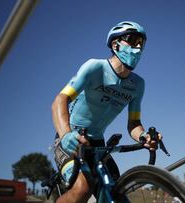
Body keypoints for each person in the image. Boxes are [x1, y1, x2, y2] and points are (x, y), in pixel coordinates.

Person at [52, 21, 161, 203]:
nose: (138, 48)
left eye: (142, 43)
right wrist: (66, 134)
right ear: (115, 44)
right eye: (133, 40)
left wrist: (144, 136)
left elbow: (134, 124)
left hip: (99, 144)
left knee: (117, 195)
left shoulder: (137, 85)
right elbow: (59, 101)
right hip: (72, 138)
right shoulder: (95, 67)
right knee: (82, 189)